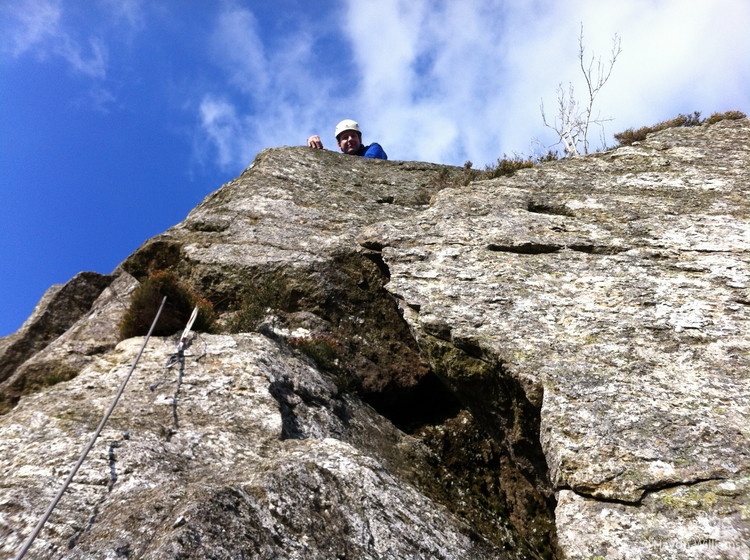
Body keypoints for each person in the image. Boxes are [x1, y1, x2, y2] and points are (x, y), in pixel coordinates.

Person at [307, 119, 387, 160]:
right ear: (339, 145)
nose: (350, 139)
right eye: (345, 137)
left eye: (353, 136)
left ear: (360, 140)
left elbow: (370, 162)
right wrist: (314, 148)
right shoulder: (338, 159)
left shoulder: (374, 148)